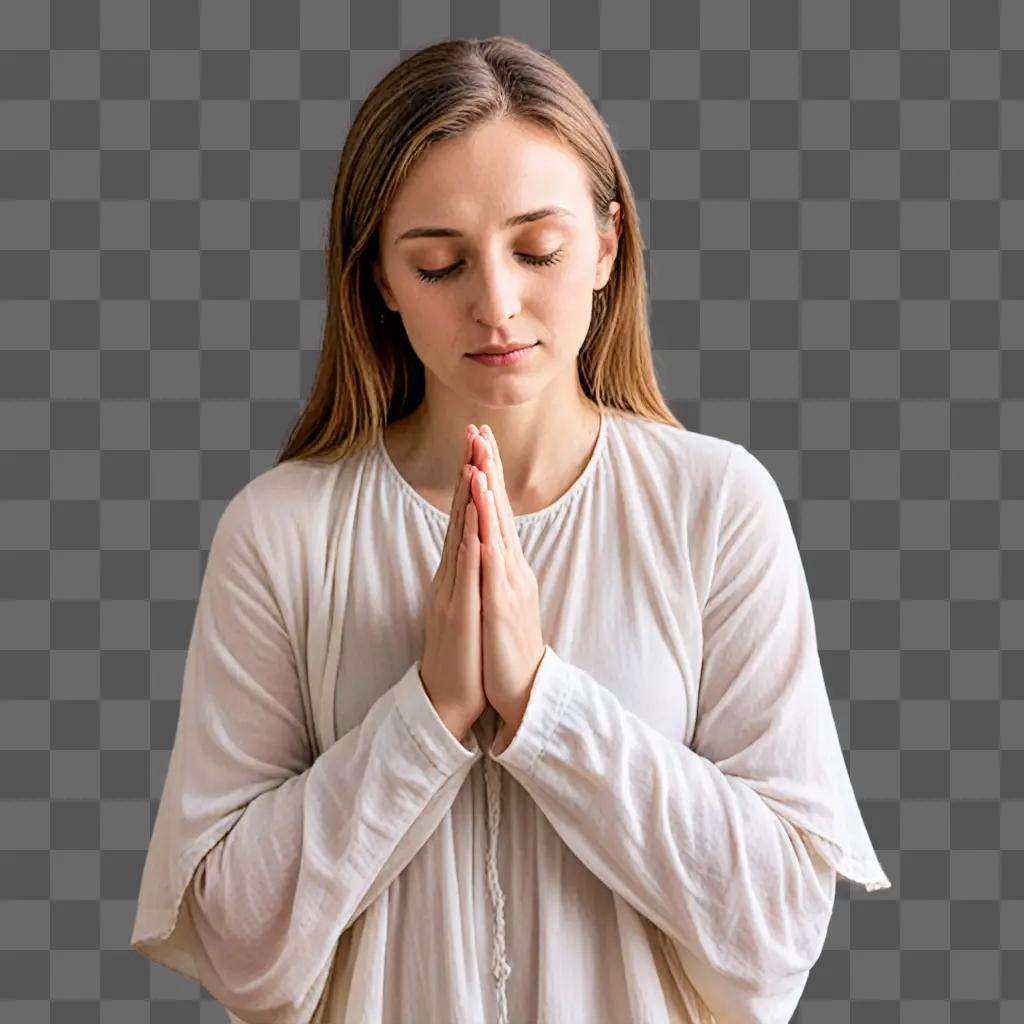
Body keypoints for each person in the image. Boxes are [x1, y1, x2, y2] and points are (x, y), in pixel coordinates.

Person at [130, 36, 890, 1024]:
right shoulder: (281, 532)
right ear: (380, 282)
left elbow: (776, 937)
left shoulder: (716, 507)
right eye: (440, 263)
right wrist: (429, 713)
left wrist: (542, 702)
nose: (496, 303)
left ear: (608, 245)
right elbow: (239, 951)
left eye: (537, 249)